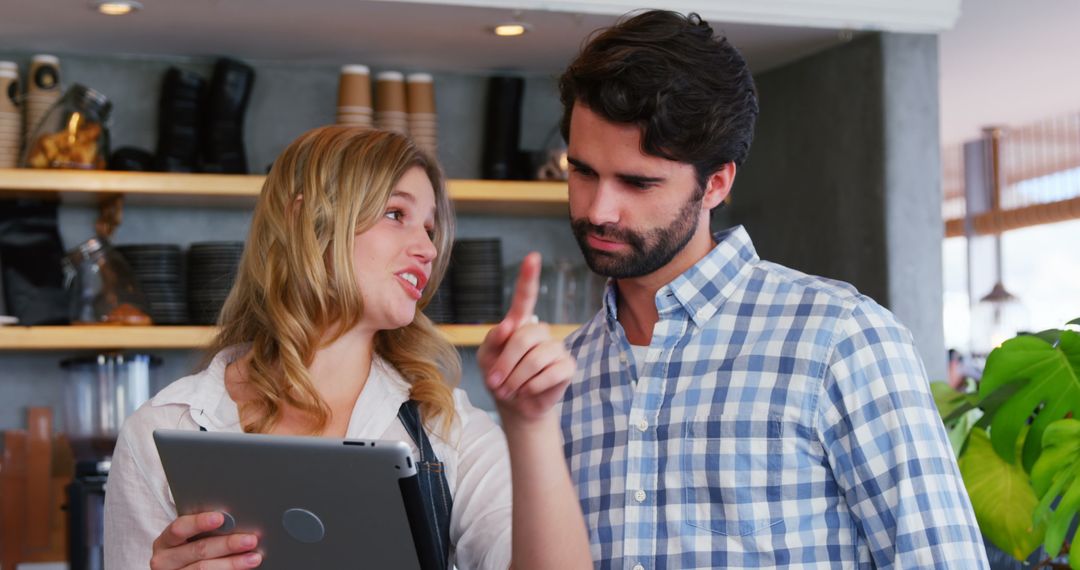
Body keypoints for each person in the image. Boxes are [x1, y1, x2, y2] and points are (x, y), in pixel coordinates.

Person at [487, 9, 989, 568]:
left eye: (637, 181)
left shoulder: (839, 339)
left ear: (716, 184)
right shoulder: (558, 381)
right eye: (582, 172)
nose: (598, 210)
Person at [104, 126, 591, 569]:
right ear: (306, 222)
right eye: (396, 214)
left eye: (430, 228)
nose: (427, 248)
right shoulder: (162, 429)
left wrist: (531, 424)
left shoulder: (452, 433)